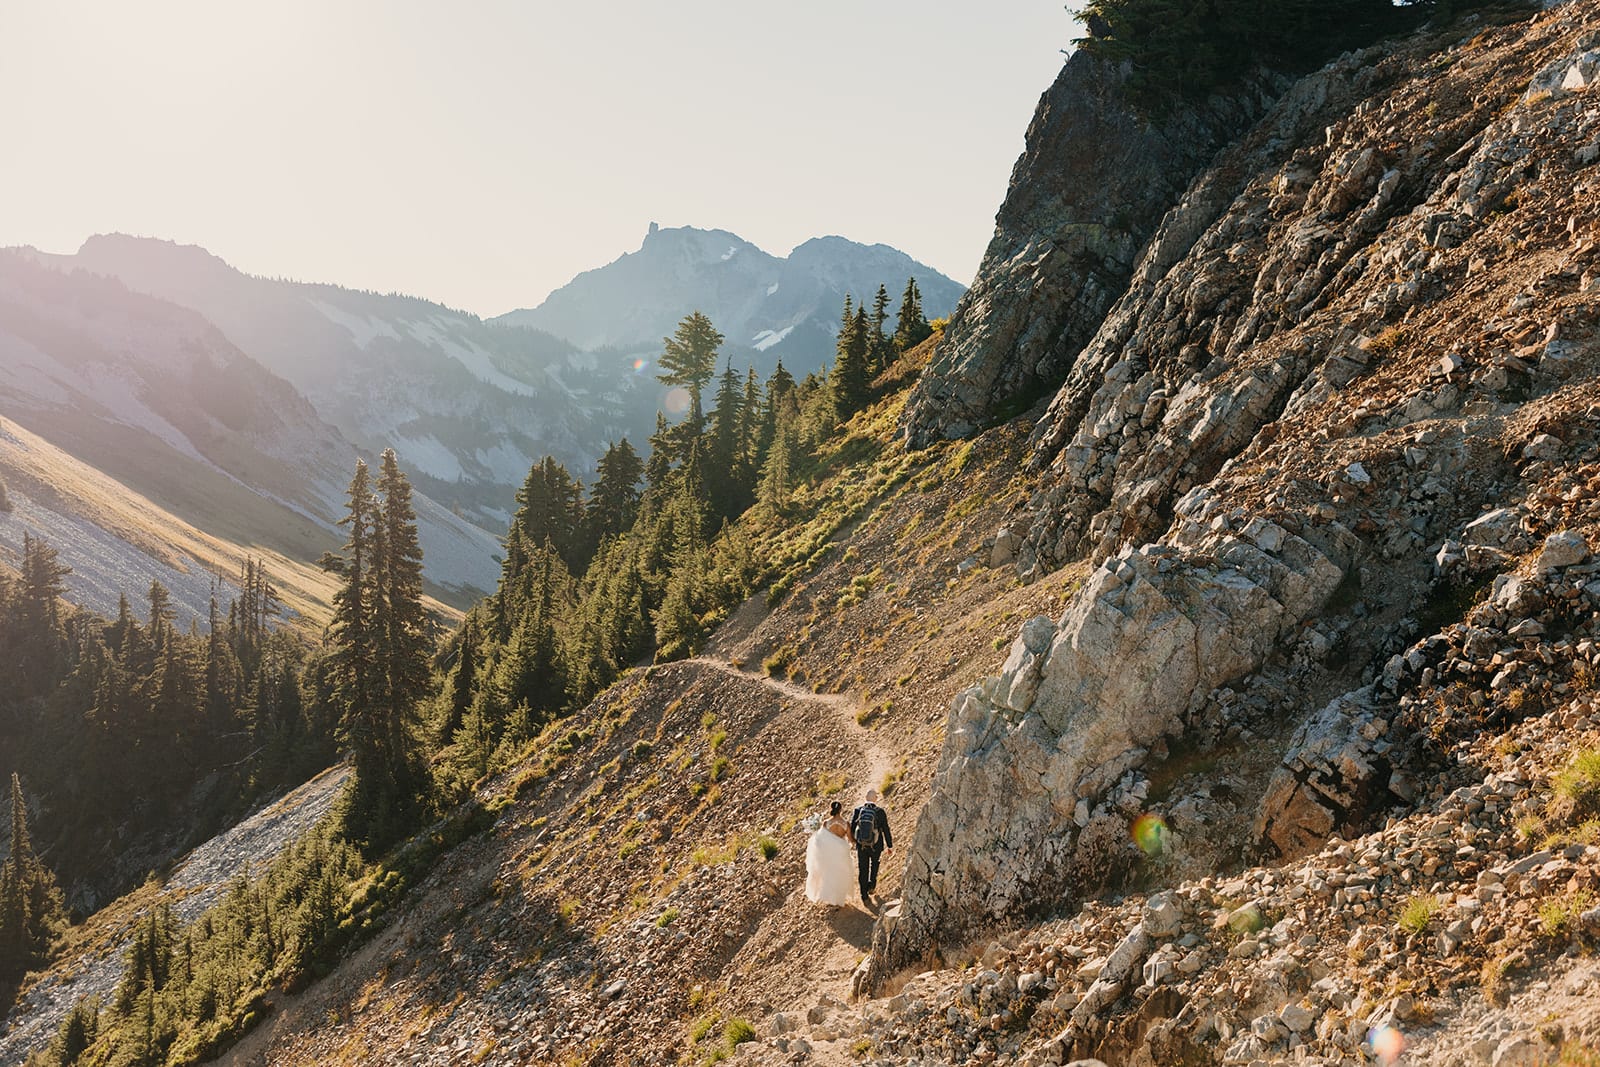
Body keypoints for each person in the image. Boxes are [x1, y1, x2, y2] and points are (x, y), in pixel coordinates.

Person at [805, 801, 855, 908]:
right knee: (842, 873)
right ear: (841, 810)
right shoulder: (846, 824)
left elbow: (820, 840)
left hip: (830, 854)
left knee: (830, 874)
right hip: (841, 852)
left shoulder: (826, 823)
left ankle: (832, 898)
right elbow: (851, 840)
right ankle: (840, 897)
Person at [850, 788, 892, 908]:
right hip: (876, 845)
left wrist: (855, 842)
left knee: (863, 869)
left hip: (861, 845)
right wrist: (889, 845)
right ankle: (872, 885)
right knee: (875, 864)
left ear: (865, 798)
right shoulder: (880, 812)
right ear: (876, 799)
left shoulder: (858, 810)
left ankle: (864, 895)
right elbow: (886, 829)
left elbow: (852, 828)